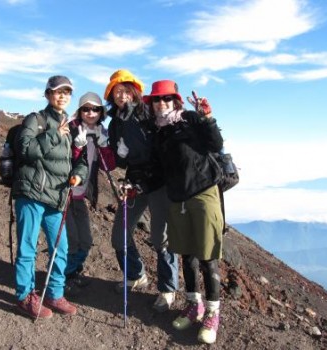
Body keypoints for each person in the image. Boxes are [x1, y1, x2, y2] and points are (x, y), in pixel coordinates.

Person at [146, 80, 224, 344]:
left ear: (175, 100)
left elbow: (215, 144)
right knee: (187, 255)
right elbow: (159, 168)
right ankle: (194, 306)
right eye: (157, 99)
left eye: (166, 98)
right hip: (177, 198)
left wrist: (207, 118)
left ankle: (213, 312)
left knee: (206, 256)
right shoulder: (159, 132)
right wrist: (135, 181)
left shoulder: (190, 119)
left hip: (203, 193)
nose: (161, 103)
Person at [11, 75, 88, 320]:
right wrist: (54, 134)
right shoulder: (36, 119)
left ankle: (54, 293)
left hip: (56, 196)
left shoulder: (73, 126)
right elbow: (24, 149)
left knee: (60, 248)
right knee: (28, 248)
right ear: (47, 95)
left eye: (67, 92)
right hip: (32, 194)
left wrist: (78, 174)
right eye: (57, 92)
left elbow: (81, 159)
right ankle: (25, 297)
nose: (62, 96)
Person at [104, 69, 179, 312]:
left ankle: (168, 290)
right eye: (117, 92)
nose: (122, 95)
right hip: (134, 183)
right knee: (119, 235)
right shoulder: (115, 122)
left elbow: (160, 152)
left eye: (126, 90)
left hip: (158, 183)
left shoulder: (148, 113)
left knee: (161, 238)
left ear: (135, 91)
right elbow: (122, 160)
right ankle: (136, 275)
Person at [65, 92, 115, 294]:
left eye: (95, 109)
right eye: (86, 108)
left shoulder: (101, 131)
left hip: (81, 195)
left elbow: (108, 166)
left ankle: (73, 272)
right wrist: (77, 146)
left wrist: (104, 145)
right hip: (65, 194)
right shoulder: (70, 129)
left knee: (85, 240)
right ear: (79, 111)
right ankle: (63, 279)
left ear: (101, 112)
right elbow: (65, 161)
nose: (91, 112)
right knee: (72, 241)